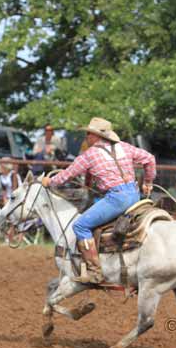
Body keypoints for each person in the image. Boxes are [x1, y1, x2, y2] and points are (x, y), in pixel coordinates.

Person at [41, 117, 156, 284]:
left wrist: (49, 182)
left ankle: (95, 271)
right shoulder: (124, 147)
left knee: (80, 225)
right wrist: (148, 182)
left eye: (89, 133)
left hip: (117, 198)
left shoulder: (89, 155)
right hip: (134, 195)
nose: (86, 136)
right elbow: (150, 159)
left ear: (96, 136)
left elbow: (66, 176)